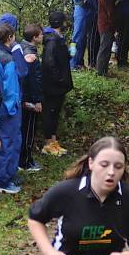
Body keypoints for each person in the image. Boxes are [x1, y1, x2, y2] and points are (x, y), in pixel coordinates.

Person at [0, 23, 23, 194]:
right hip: (7, 107)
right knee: (8, 142)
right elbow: (10, 88)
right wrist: (12, 107)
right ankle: (3, 180)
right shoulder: (8, 59)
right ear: (10, 38)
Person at [41, 11, 73, 156]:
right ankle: (48, 143)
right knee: (50, 113)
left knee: (55, 113)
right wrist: (59, 79)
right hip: (53, 86)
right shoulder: (52, 41)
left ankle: (54, 141)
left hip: (58, 85)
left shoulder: (57, 38)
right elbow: (49, 62)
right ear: (62, 23)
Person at [19, 23, 44, 172]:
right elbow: (33, 80)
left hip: (24, 97)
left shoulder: (21, 47)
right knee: (28, 130)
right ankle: (25, 162)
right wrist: (36, 100)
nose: (42, 36)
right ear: (34, 37)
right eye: (40, 34)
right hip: (29, 98)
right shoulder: (30, 55)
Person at [71, 0, 95, 70]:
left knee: (83, 39)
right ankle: (72, 62)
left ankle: (79, 62)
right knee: (76, 39)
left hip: (88, 11)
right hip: (81, 11)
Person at [95, 0, 117, 76]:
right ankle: (101, 72)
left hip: (102, 22)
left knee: (105, 47)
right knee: (105, 48)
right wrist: (115, 28)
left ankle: (103, 70)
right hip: (106, 24)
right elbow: (111, 13)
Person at [85, 0, 105, 69]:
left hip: (99, 11)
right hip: (93, 12)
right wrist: (95, 9)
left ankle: (96, 61)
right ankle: (92, 62)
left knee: (97, 36)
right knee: (92, 37)